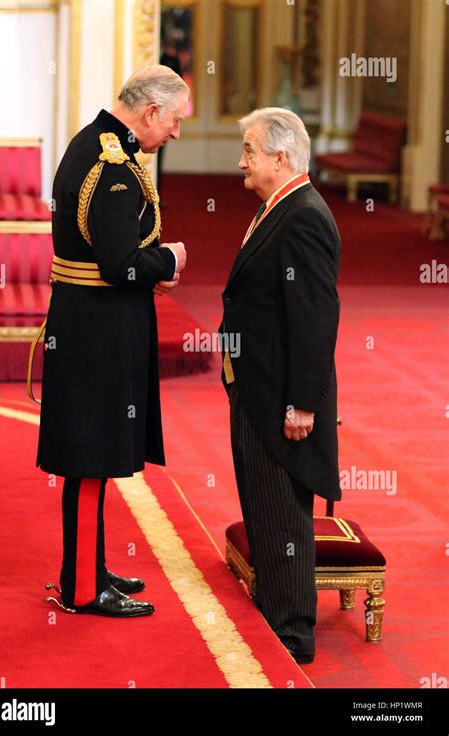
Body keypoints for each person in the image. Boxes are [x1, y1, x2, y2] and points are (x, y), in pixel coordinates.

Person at [30, 65, 189, 617]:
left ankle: (90, 565)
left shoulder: (98, 143)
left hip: (86, 324)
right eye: (173, 122)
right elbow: (120, 264)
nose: (174, 134)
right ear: (150, 113)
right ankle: (81, 589)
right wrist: (167, 259)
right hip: (98, 331)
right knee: (91, 456)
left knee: (91, 455)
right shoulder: (114, 167)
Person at [219, 107, 341, 663]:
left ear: (281, 156)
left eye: (249, 150)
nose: (241, 161)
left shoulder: (305, 217)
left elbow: (315, 319)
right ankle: (273, 612)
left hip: (282, 400)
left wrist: (301, 404)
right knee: (264, 509)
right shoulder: (280, 208)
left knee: (283, 511)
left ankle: (292, 636)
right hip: (257, 387)